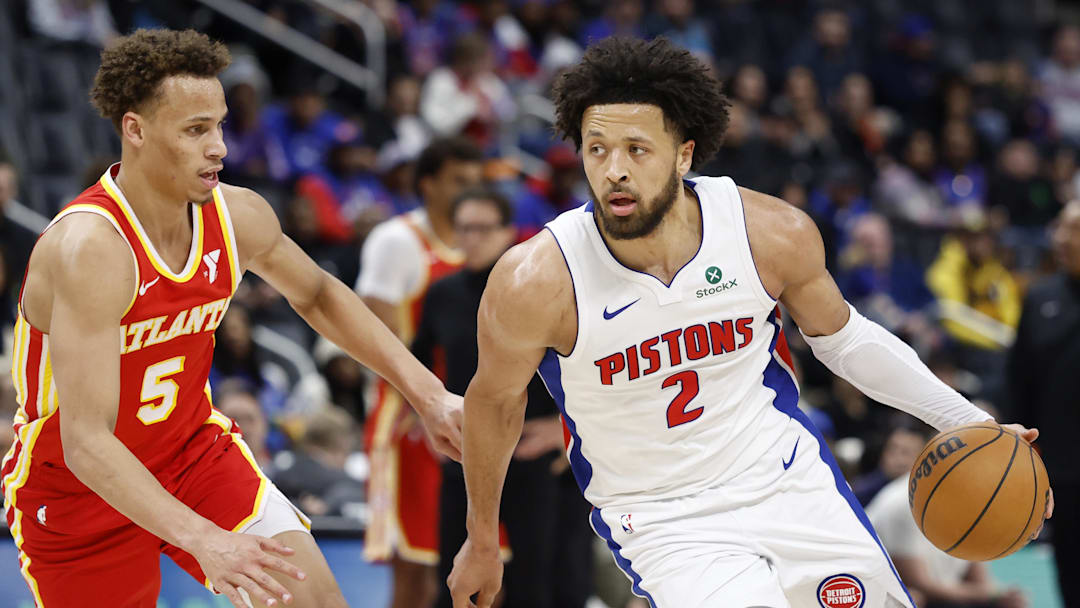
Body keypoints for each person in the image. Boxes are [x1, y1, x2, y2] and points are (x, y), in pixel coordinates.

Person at [447, 37, 1051, 608]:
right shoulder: (536, 280)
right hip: (664, 516)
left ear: (684, 153)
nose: (614, 171)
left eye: (637, 149)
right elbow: (494, 404)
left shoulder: (767, 233)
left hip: (785, 480)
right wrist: (480, 538)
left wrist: (974, 423)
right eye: (596, 149)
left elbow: (846, 341)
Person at [0, 29, 463, 608]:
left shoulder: (237, 215)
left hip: (190, 452)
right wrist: (205, 541)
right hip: (78, 487)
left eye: (218, 125)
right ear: (135, 130)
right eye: (195, 130)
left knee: (314, 601)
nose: (218, 146)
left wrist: (429, 394)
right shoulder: (91, 248)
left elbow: (318, 294)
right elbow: (88, 443)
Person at [411, 188, 592, 608]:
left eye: (481, 228)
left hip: (534, 456)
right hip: (468, 451)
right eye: (462, 229)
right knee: (453, 583)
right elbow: (415, 360)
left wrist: (563, 429)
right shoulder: (442, 294)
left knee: (542, 585)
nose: (470, 238)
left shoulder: (537, 289)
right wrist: (427, 412)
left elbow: (585, 366)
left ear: (508, 232)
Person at [355, 136, 482, 608]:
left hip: (474, 423)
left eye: (476, 182)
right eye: (458, 181)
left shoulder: (486, 246)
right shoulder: (396, 242)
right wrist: (424, 402)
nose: (469, 191)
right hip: (412, 422)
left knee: (485, 573)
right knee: (420, 574)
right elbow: (371, 339)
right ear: (428, 185)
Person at [1006, 200, 1080, 608]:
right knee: (1069, 570)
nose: (1061, 239)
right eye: (1061, 229)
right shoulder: (1040, 299)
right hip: (1062, 468)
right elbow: (1018, 383)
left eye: (1073, 230)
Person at [866, 476, 1029, 608]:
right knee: (913, 600)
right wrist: (990, 595)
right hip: (897, 593)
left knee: (1012, 603)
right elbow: (917, 582)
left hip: (944, 592)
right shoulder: (904, 503)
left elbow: (978, 578)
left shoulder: (973, 500)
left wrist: (997, 597)